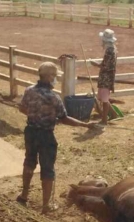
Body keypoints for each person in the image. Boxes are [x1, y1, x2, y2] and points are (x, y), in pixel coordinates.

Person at [16, 62, 96, 214]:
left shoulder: (29, 91)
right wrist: (85, 125)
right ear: (49, 76)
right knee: (47, 169)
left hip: (31, 132)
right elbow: (65, 118)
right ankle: (46, 205)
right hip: (46, 135)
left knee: (29, 162)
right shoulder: (54, 98)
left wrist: (36, 115)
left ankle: (24, 195)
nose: (56, 79)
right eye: (55, 76)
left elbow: (22, 108)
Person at [91, 29, 118, 125]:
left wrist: (95, 64)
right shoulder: (113, 49)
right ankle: (112, 115)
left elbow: (105, 65)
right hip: (108, 77)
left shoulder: (109, 51)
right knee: (104, 98)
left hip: (106, 77)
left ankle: (104, 120)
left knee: (104, 99)